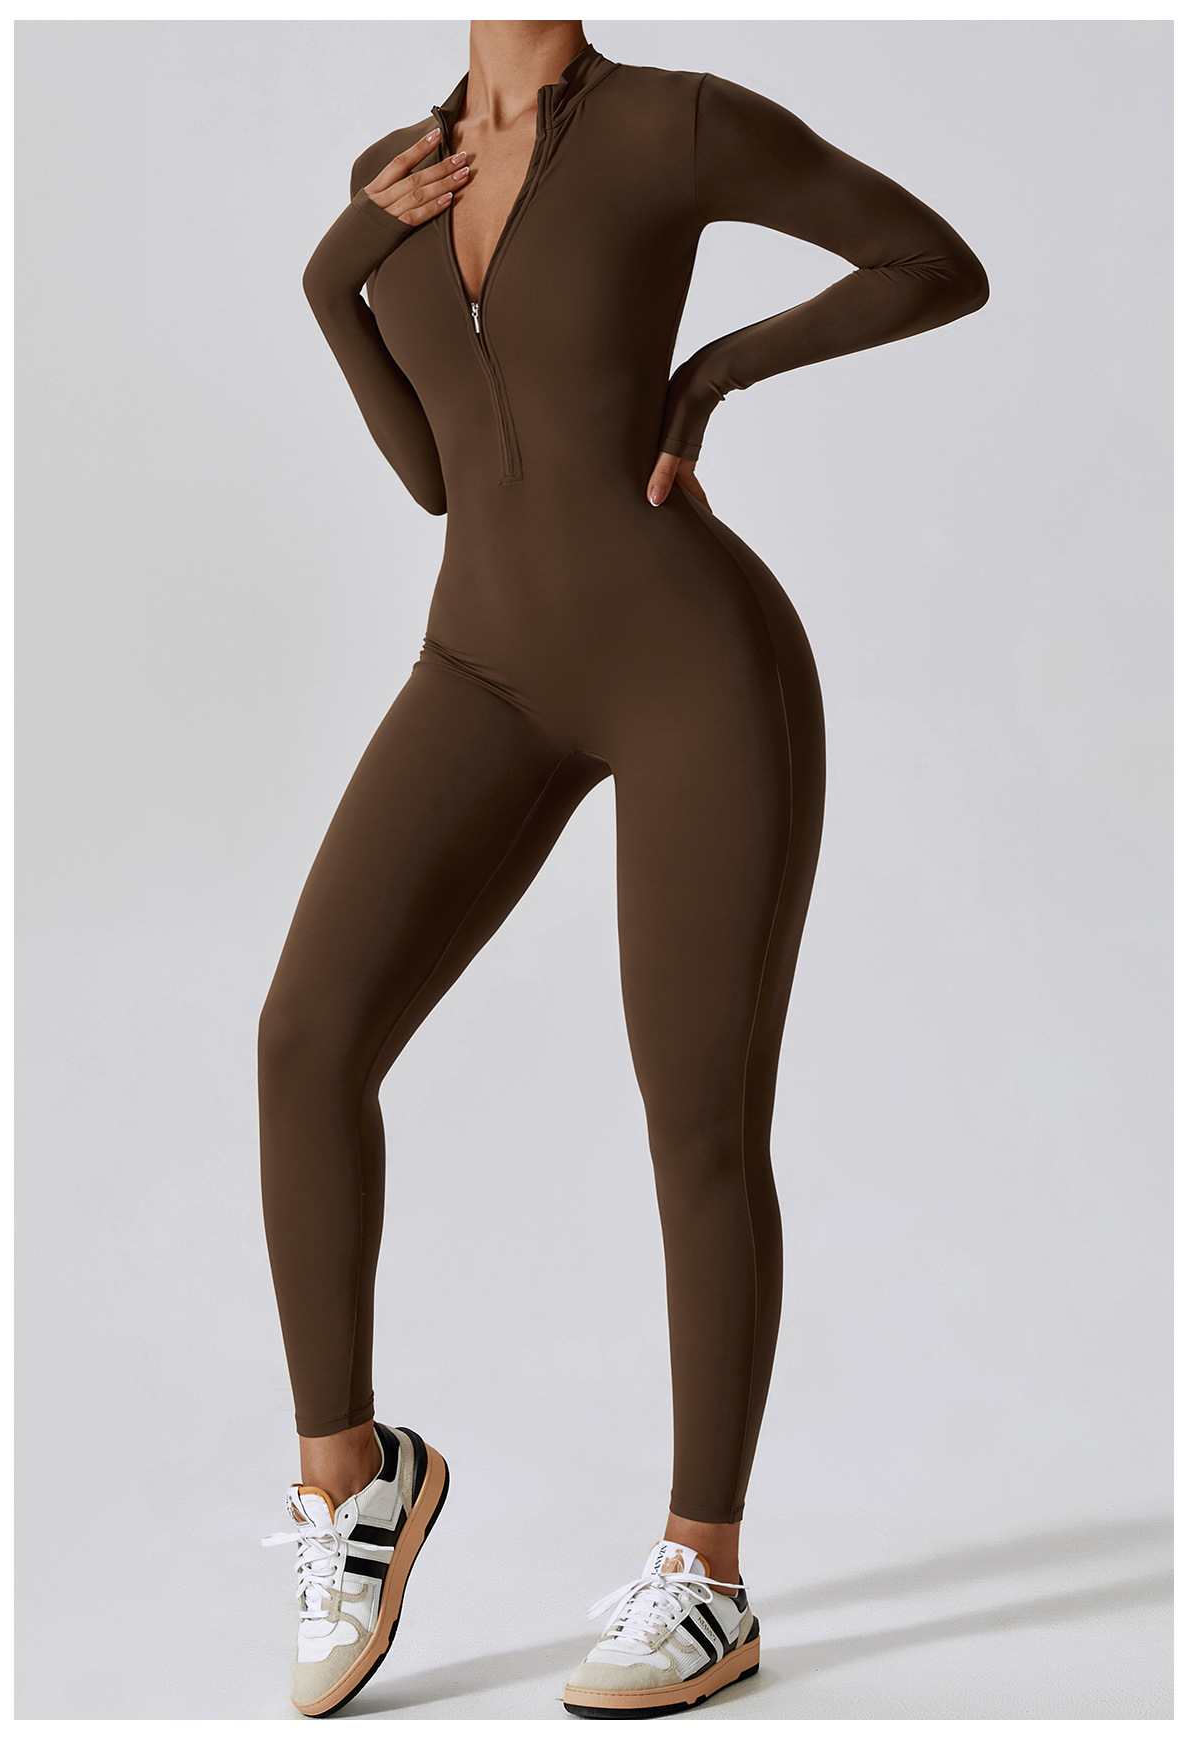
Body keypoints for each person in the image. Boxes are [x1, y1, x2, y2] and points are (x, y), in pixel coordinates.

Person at [258, 18, 989, 1720]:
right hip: (483, 671)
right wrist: (337, 267)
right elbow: (436, 476)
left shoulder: (675, 125)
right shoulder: (397, 169)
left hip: (693, 671)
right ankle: (352, 1479)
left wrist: (711, 374)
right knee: (304, 1043)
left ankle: (703, 1577)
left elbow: (934, 264)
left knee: (698, 1118)